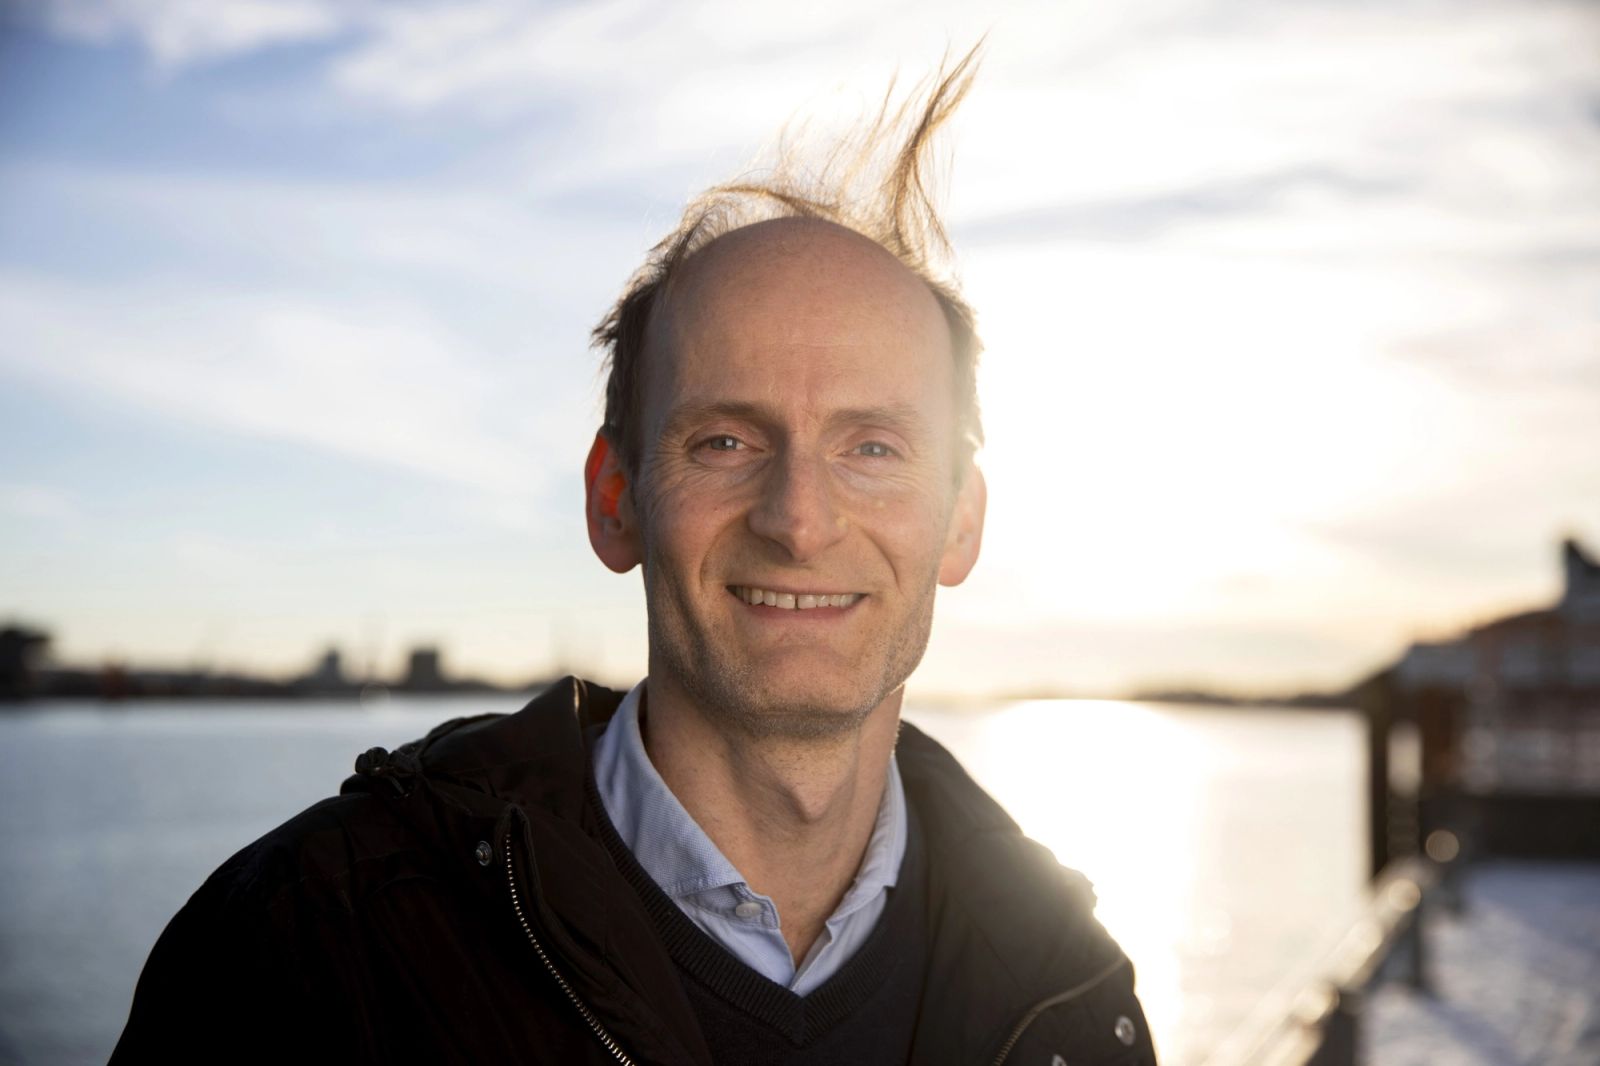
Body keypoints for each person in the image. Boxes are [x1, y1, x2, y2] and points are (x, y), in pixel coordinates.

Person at [114, 53, 1156, 1066]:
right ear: (614, 501)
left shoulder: (1069, 987)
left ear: (961, 521)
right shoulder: (308, 947)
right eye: (726, 441)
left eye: (872, 448)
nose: (799, 520)